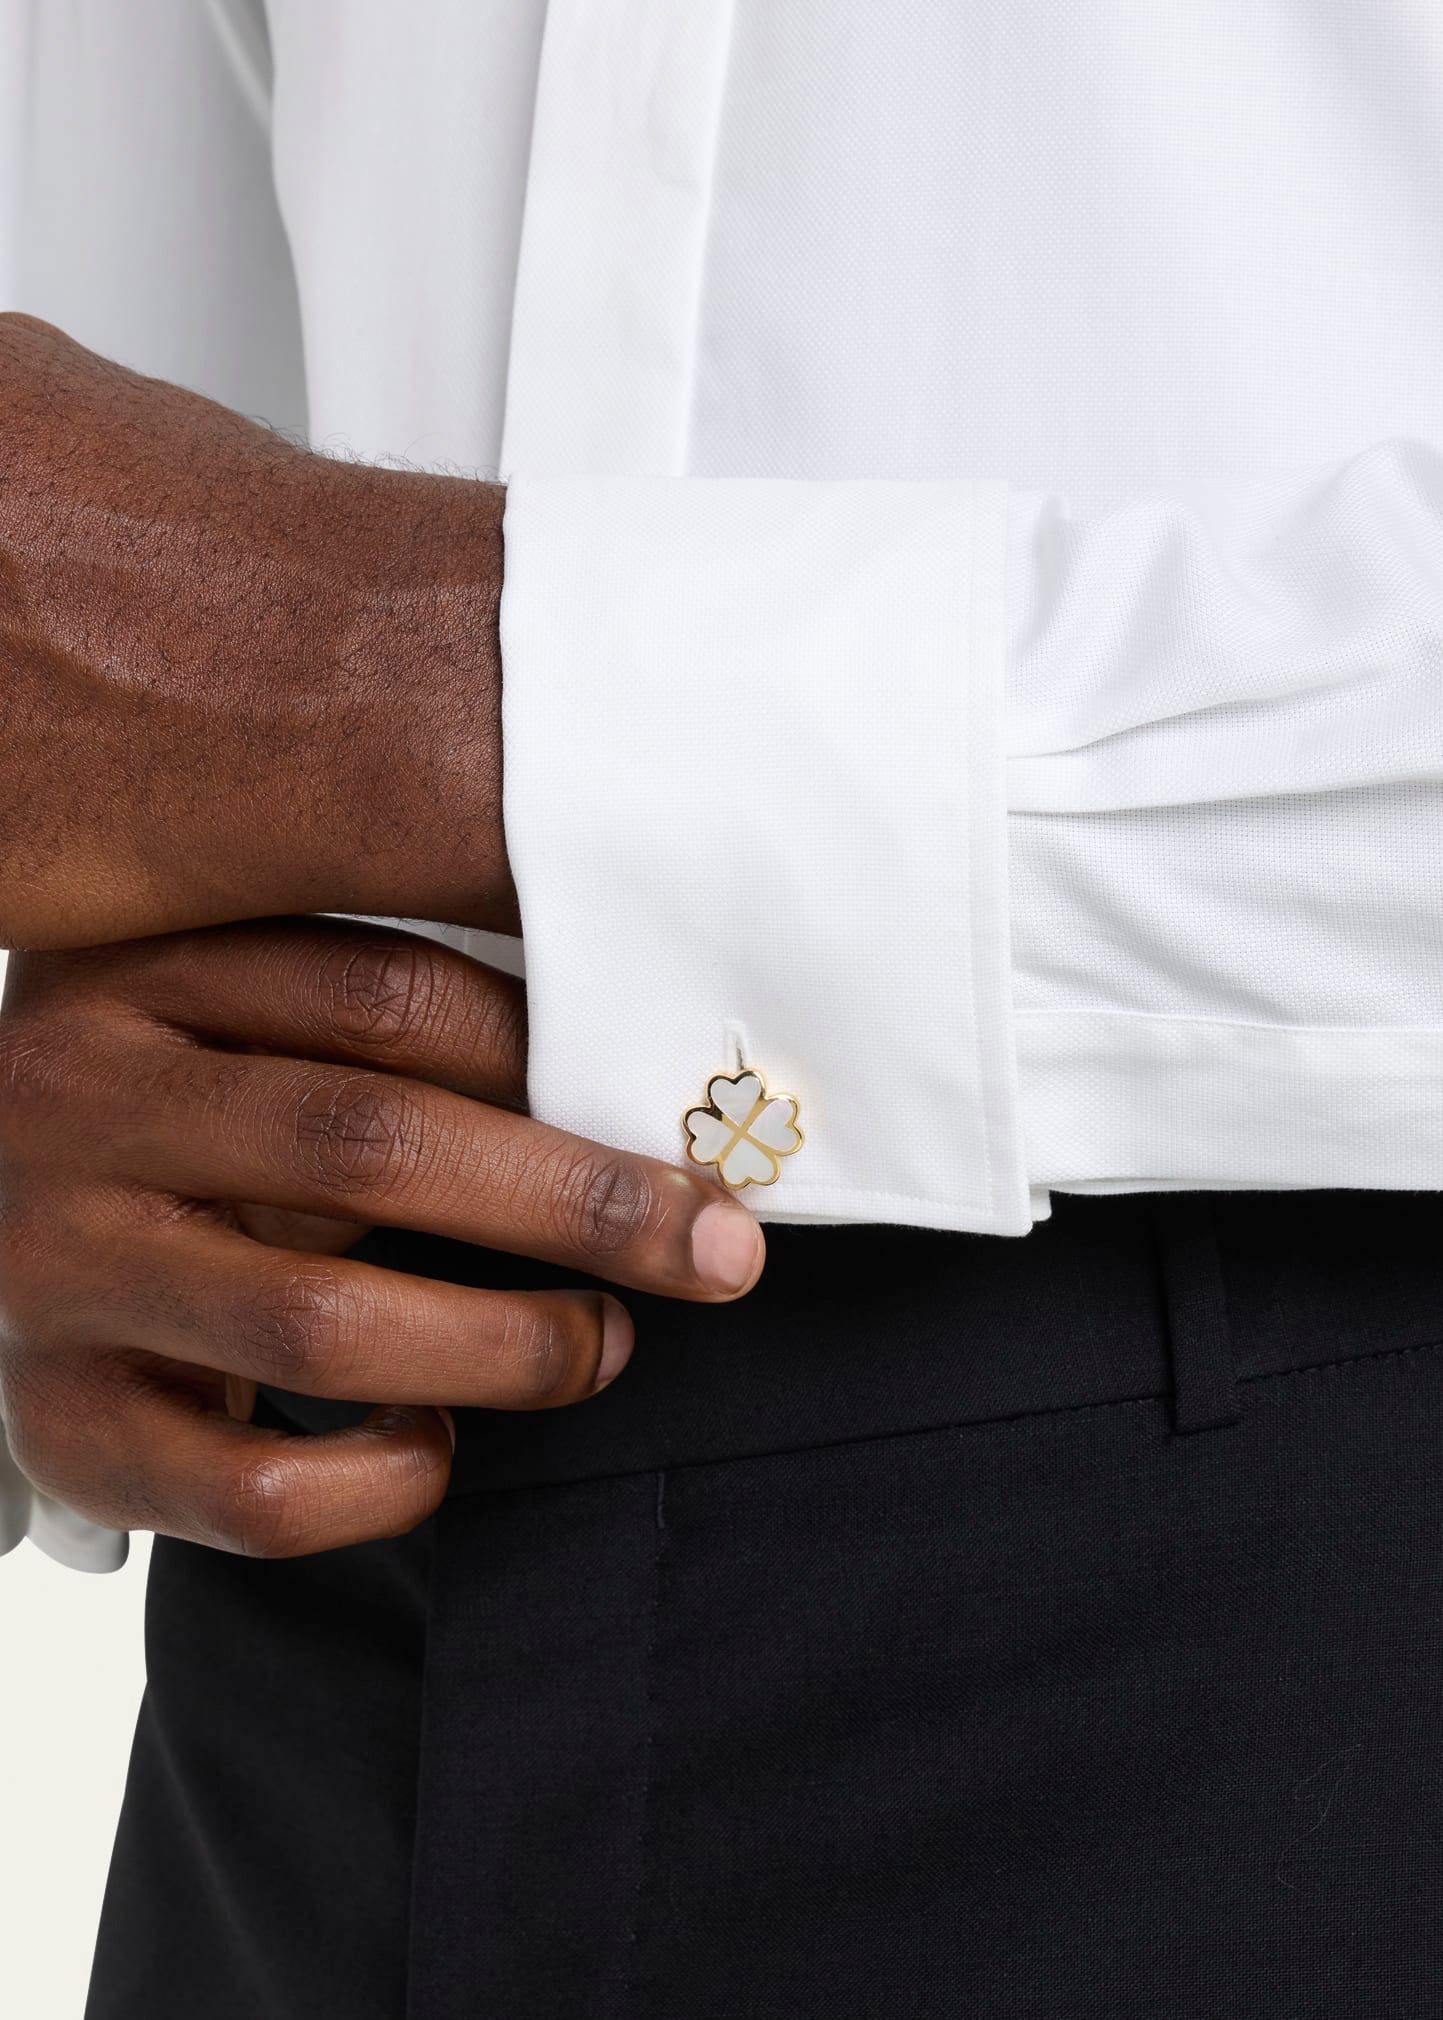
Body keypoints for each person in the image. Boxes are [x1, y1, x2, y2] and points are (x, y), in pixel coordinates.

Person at [3, 1, 1443, 2012]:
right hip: (317, 1577)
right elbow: (107, 548)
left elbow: (239, 631)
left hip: (1304, 1499)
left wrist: (419, 690)